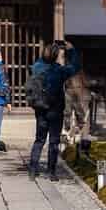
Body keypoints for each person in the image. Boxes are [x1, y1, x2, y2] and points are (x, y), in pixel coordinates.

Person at [27, 39, 79, 181]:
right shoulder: (59, 71)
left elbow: (41, 61)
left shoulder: (36, 67)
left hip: (40, 107)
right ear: (56, 56)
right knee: (54, 141)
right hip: (55, 109)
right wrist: (71, 50)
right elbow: (75, 66)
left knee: (39, 139)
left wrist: (49, 50)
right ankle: (51, 171)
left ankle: (33, 169)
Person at [64, 62, 92, 159]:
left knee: (82, 124)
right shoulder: (71, 76)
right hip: (75, 99)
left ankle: (80, 147)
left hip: (80, 100)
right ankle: (72, 139)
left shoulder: (77, 76)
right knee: (77, 120)